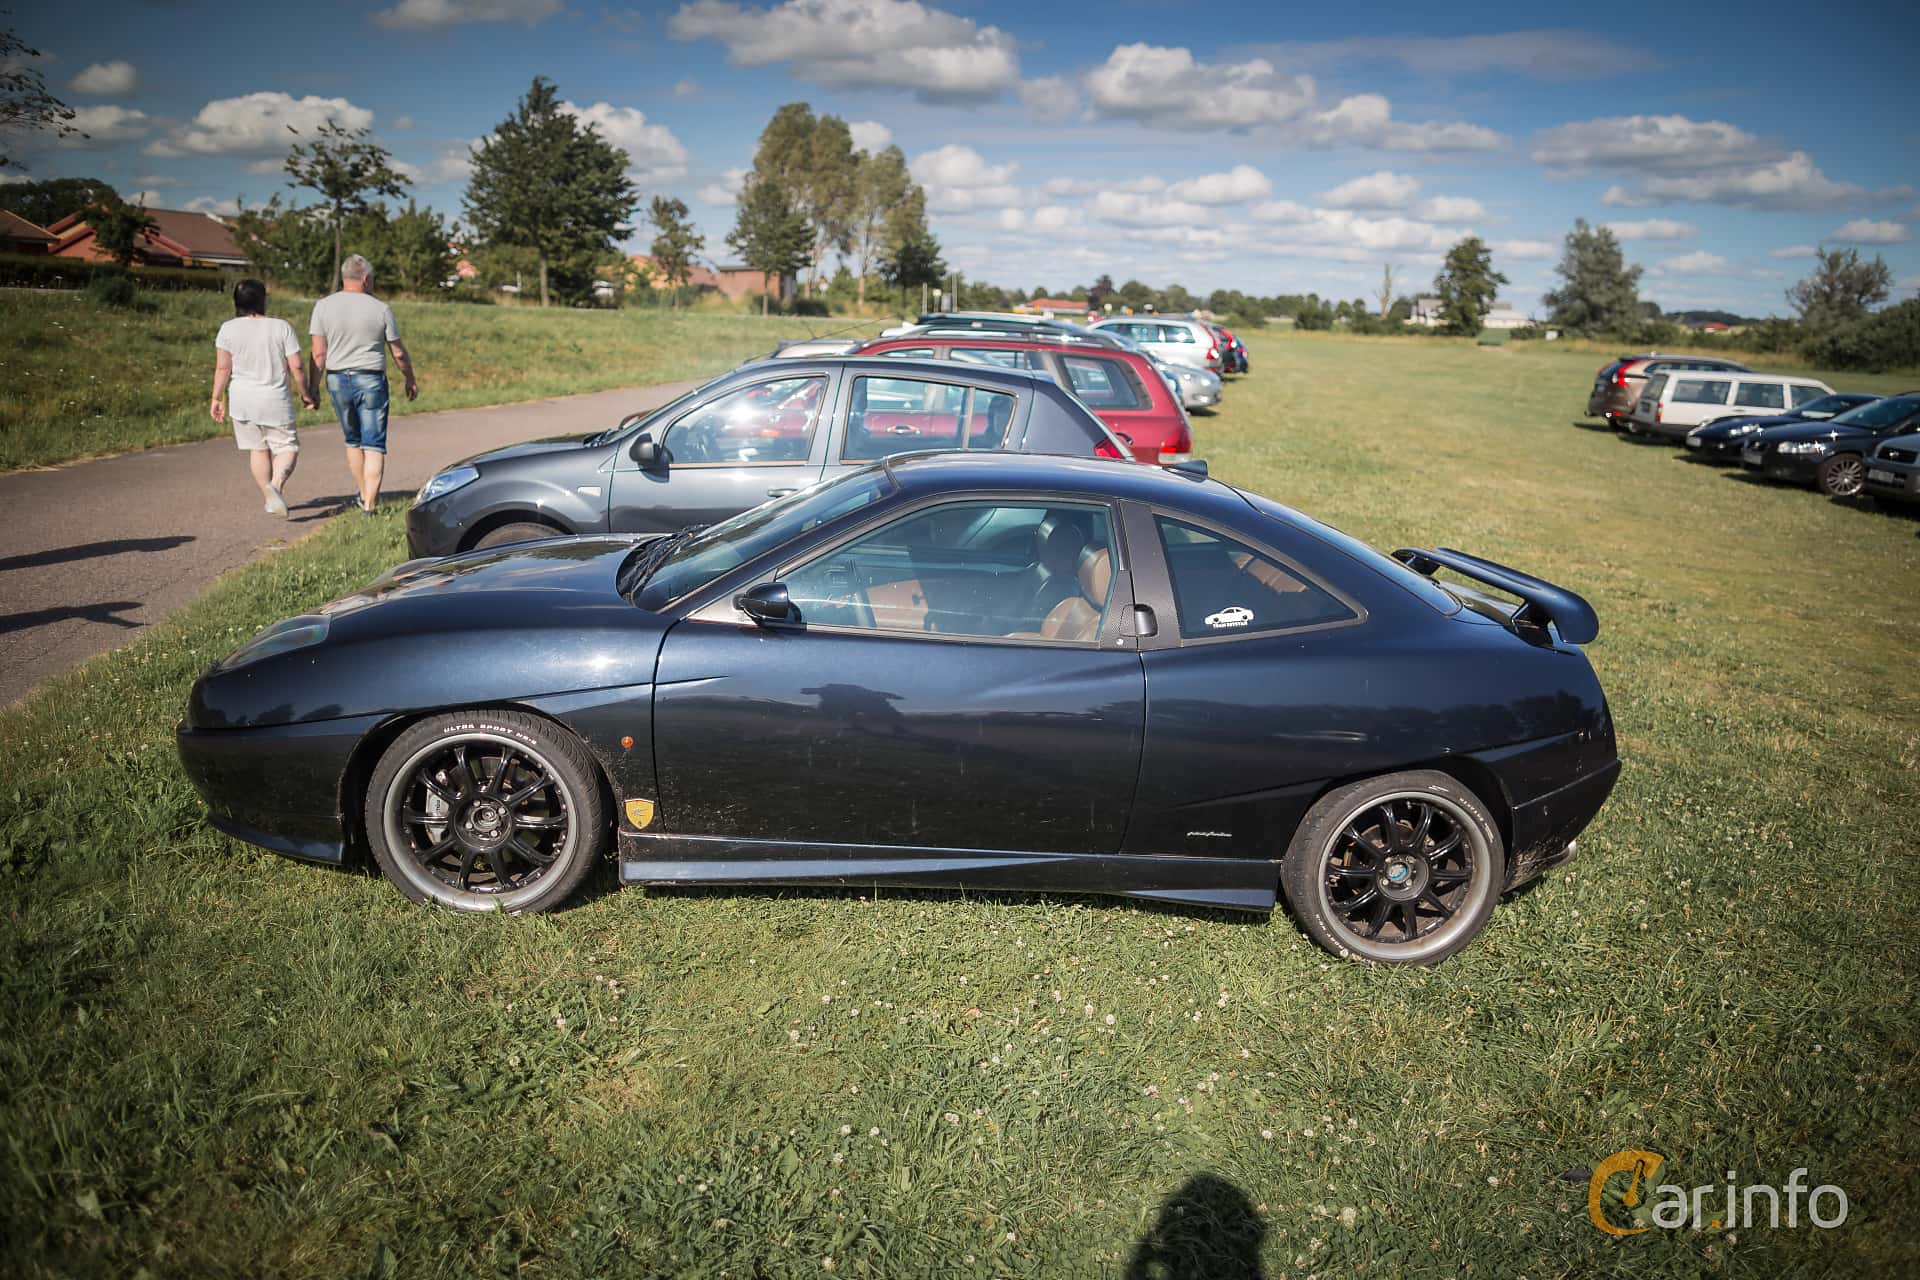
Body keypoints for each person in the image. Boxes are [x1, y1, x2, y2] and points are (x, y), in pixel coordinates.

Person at [309, 254, 419, 515]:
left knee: (353, 440)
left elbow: (318, 354)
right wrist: (410, 378)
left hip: (336, 378)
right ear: (366, 279)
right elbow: (399, 353)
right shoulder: (380, 308)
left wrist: (312, 389)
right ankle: (370, 504)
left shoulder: (323, 306)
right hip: (370, 379)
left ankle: (362, 494)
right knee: (374, 444)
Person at [211, 277, 313, 518]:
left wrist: (216, 397)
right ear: (263, 300)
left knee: (257, 450)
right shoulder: (281, 327)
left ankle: (269, 500)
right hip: (274, 399)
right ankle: (275, 487)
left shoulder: (228, 328)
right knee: (287, 447)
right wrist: (305, 392)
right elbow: (296, 366)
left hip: (241, 400)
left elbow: (223, 368)